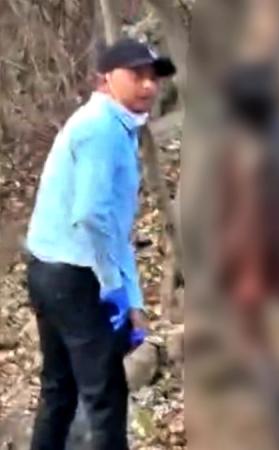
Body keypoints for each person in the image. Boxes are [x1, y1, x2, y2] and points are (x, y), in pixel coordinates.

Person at [24, 38, 175, 449]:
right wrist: (113, 287)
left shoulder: (112, 125)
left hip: (48, 269)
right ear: (105, 79)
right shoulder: (101, 129)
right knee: (105, 396)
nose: (149, 85)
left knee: (59, 389)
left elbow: (114, 226)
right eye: (136, 75)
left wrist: (133, 300)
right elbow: (92, 216)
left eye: (153, 77)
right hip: (75, 276)